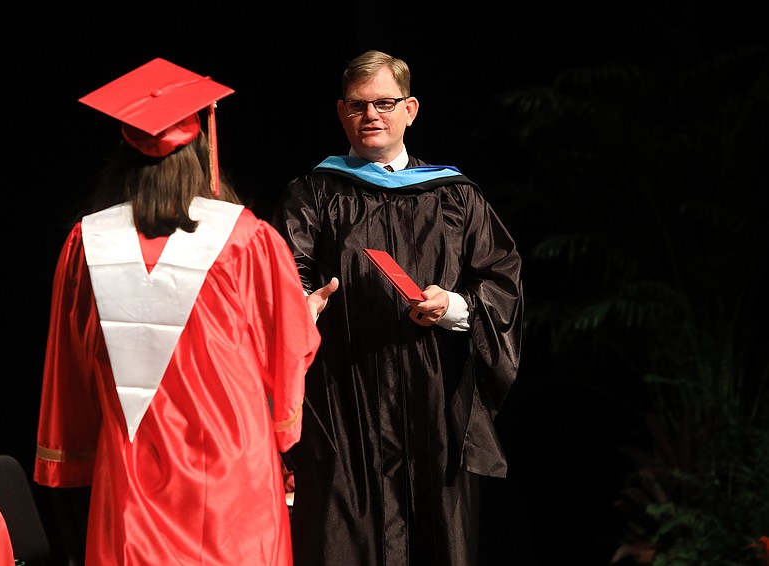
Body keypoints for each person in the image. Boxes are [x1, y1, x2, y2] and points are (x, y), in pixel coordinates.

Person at [33, 58, 321, 566]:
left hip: (131, 473)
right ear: (201, 148)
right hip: (233, 472)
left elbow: (69, 363)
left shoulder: (88, 243)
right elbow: (287, 344)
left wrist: (74, 450)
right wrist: (306, 321)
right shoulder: (246, 238)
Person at [270, 49, 524, 566]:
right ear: (342, 112)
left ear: (410, 109)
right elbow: (280, 272)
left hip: (434, 402)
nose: (371, 116)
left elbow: (502, 281)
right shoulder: (312, 194)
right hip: (344, 400)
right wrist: (301, 306)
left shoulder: (455, 196)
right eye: (359, 106)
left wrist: (453, 306)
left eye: (384, 103)